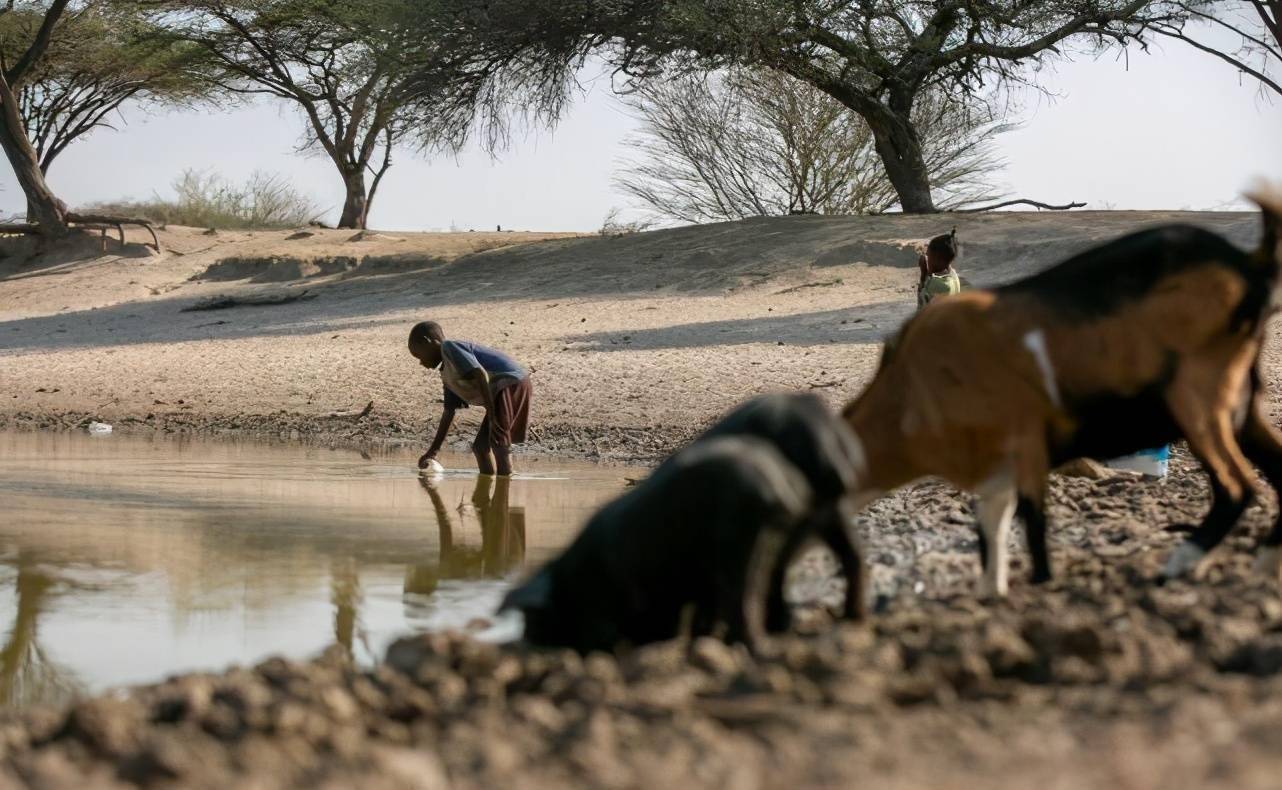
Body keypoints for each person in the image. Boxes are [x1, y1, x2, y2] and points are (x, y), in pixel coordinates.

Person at [408, 321, 532, 476]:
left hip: (510, 382)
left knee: (498, 443)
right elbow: (449, 411)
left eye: (419, 355)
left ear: (428, 342)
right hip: (496, 393)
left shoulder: (450, 348)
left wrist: (492, 413)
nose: (421, 363)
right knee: (480, 447)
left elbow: (480, 373)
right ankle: (488, 489)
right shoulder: (448, 374)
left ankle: (505, 482)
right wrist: (433, 452)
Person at [917, 227, 963, 309]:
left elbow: (921, 306)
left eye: (929, 256)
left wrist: (923, 273)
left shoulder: (937, 284)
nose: (927, 260)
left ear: (937, 259)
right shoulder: (953, 276)